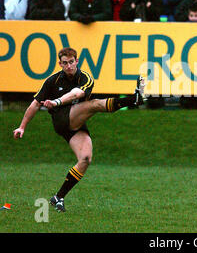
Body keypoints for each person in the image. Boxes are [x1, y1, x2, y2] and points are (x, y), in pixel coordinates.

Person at [13, 47, 146, 212]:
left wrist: (57, 101)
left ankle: (58, 197)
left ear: (77, 61)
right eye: (64, 63)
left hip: (76, 123)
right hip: (61, 120)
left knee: (85, 158)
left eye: (71, 62)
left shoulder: (85, 78)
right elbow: (35, 104)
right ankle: (133, 100)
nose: (68, 66)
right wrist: (22, 126)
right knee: (94, 104)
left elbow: (77, 93)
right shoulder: (52, 81)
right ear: (60, 64)